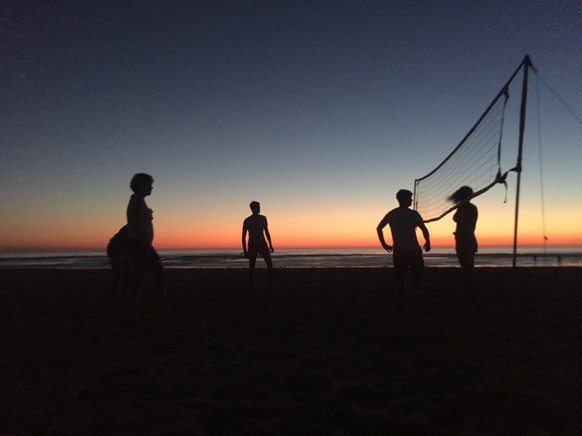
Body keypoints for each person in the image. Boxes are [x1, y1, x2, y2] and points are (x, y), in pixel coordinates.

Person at [377, 189, 431, 299]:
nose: (411, 200)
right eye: (410, 198)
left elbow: (379, 228)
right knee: (416, 275)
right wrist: (428, 242)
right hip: (413, 250)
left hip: (399, 250)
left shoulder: (392, 213)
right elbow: (424, 229)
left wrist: (384, 244)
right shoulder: (413, 214)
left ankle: (403, 297)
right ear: (403, 199)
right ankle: (411, 296)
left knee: (401, 277)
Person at [126, 173, 166, 319]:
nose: (151, 187)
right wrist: (145, 245)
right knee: (160, 278)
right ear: (142, 185)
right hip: (140, 245)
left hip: (138, 245)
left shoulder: (138, 201)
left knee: (137, 280)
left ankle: (133, 313)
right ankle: (156, 312)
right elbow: (137, 223)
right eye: (149, 184)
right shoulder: (136, 201)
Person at [448, 186, 478, 286]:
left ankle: (472, 287)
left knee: (467, 266)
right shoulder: (463, 206)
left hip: (466, 238)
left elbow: (466, 224)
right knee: (466, 266)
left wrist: (460, 234)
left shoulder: (468, 208)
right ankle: (470, 286)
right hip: (464, 238)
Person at [242, 201, 274, 289]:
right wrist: (245, 251)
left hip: (263, 244)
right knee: (252, 266)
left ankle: (268, 283)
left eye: (259, 207)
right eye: (258, 207)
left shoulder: (263, 218)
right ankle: (251, 285)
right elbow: (243, 236)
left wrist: (270, 244)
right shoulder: (247, 220)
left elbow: (266, 232)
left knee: (269, 264)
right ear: (253, 208)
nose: (260, 209)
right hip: (253, 245)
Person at [106, 225, 129, 298]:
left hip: (117, 247)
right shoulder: (135, 226)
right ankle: (116, 292)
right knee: (118, 271)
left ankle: (118, 291)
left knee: (122, 271)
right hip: (115, 247)